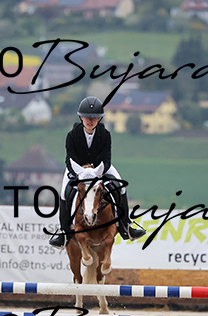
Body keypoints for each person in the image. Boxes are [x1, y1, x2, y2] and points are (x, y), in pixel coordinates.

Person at [49, 96, 146, 249]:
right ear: (81, 117)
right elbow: (69, 160)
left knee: (121, 188)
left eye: (94, 118)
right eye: (87, 117)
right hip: (78, 168)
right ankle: (64, 232)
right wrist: (80, 173)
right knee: (64, 193)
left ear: (99, 118)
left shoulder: (105, 135)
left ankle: (126, 226)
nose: (90, 120)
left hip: (100, 168)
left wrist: (97, 172)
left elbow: (106, 159)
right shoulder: (72, 135)